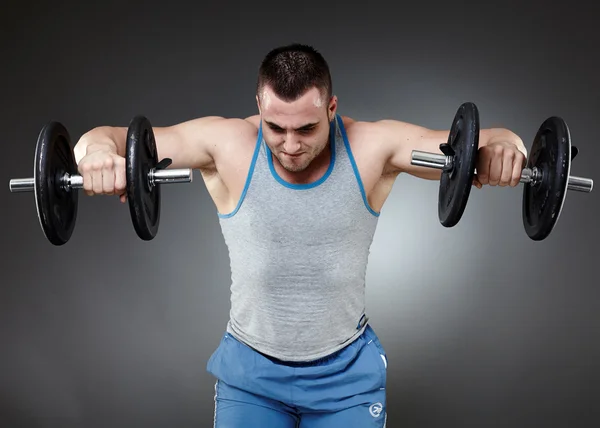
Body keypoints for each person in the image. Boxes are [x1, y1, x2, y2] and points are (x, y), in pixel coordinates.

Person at [73, 43, 527, 427]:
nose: (290, 145)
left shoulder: (373, 146)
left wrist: (509, 150)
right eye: (276, 127)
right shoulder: (226, 143)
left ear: (332, 108)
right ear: (259, 108)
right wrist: (97, 156)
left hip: (346, 378)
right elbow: (109, 138)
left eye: (307, 128)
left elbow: (485, 140)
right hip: (250, 375)